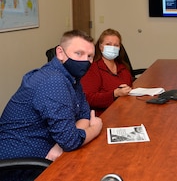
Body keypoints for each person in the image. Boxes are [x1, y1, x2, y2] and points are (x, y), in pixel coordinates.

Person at [0, 30, 103, 179]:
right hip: (19, 165)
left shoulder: (72, 77)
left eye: (90, 56)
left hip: (47, 153)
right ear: (60, 53)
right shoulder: (53, 81)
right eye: (78, 54)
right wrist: (95, 128)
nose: (85, 61)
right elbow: (71, 140)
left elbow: (84, 114)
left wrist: (61, 145)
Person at [81, 28, 133, 116]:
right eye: (108, 44)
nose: (112, 48)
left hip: (124, 109)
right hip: (104, 115)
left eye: (116, 45)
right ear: (101, 47)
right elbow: (87, 98)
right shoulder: (93, 68)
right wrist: (114, 94)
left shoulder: (122, 66)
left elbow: (130, 84)